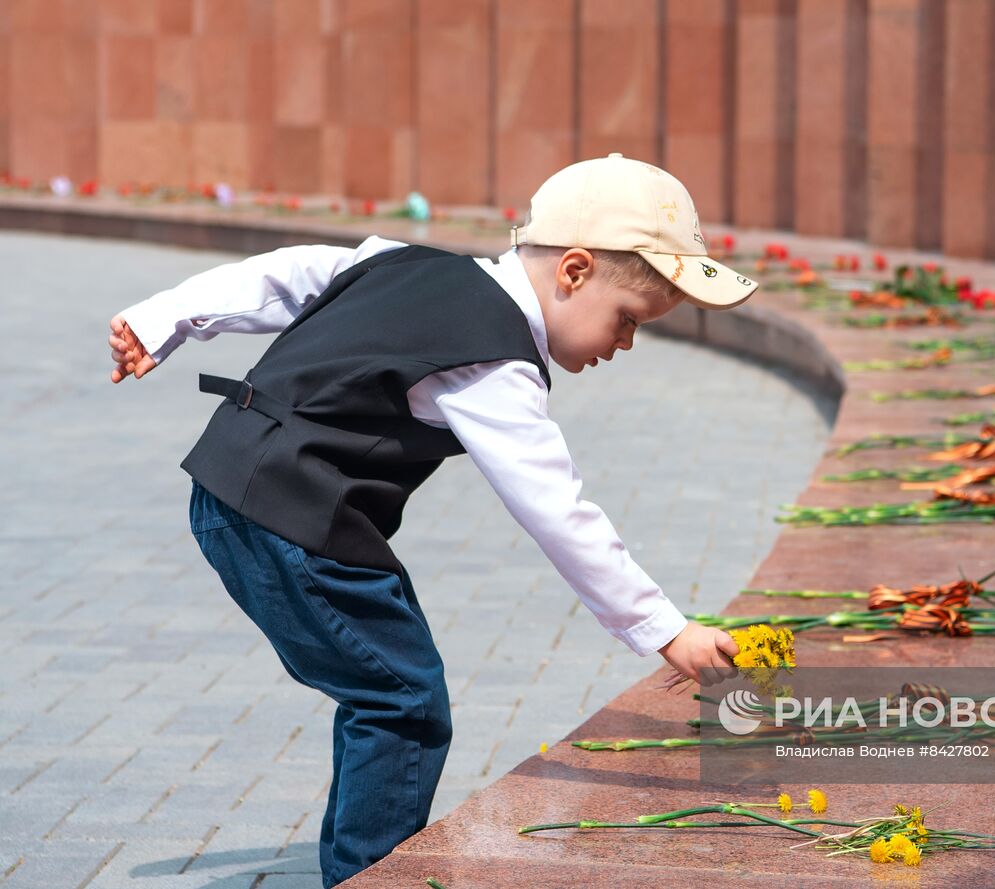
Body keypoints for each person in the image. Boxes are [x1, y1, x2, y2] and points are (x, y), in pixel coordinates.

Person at [106, 153, 757, 887]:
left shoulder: (403, 262)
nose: (624, 344)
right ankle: (369, 875)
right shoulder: (494, 359)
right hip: (290, 517)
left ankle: (363, 864)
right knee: (402, 697)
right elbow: (557, 507)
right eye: (627, 320)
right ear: (573, 272)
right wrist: (664, 627)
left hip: (244, 492)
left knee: (391, 682)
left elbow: (285, 274)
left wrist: (163, 317)